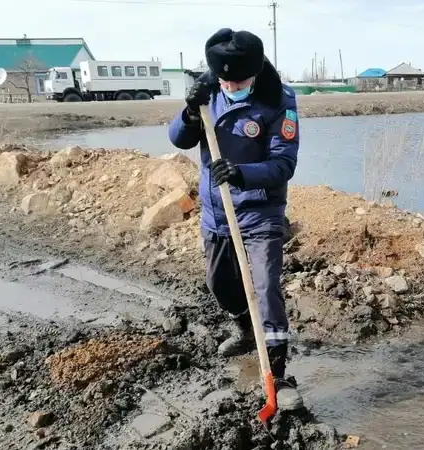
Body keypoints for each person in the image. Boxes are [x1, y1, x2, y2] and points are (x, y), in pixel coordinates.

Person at [166, 28, 303, 411]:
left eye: (239, 81)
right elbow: (179, 139)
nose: (231, 86)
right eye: (226, 80)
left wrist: (242, 173)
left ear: (255, 74)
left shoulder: (279, 101)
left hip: (260, 211)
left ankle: (277, 374)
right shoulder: (207, 91)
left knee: (265, 289)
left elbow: (283, 165)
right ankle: (246, 328)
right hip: (217, 211)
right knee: (219, 284)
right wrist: (190, 112)